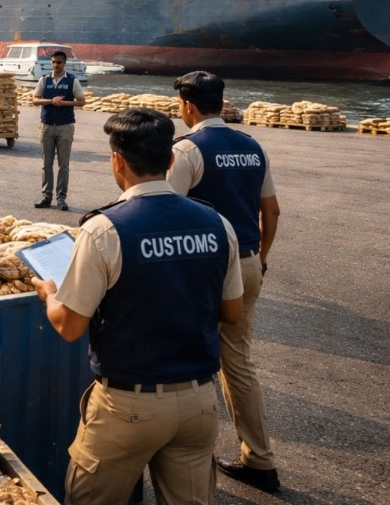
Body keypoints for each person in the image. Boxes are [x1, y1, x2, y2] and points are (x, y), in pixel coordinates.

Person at [32, 108, 243, 504]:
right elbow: (232, 314)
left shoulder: (104, 229)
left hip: (128, 404)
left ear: (117, 160)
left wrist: (49, 293)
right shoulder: (218, 224)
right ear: (172, 160)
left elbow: (70, 326)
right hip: (198, 403)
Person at [169, 71, 282, 493]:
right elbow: (271, 212)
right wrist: (260, 260)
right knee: (238, 364)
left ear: (189, 107)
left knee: (182, 360)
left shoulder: (188, 150)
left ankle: (183, 464)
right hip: (249, 263)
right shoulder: (253, 147)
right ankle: (260, 459)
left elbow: (167, 215)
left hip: (205, 268)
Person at [31, 51, 85, 211]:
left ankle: (61, 198)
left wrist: (64, 103)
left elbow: (82, 102)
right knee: (46, 163)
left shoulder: (72, 81)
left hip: (65, 126)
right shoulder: (44, 79)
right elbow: (34, 100)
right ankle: (46, 197)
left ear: (65, 63)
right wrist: (50, 101)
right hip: (46, 126)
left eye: (59, 62)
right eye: (53, 62)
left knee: (64, 164)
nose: (56, 65)